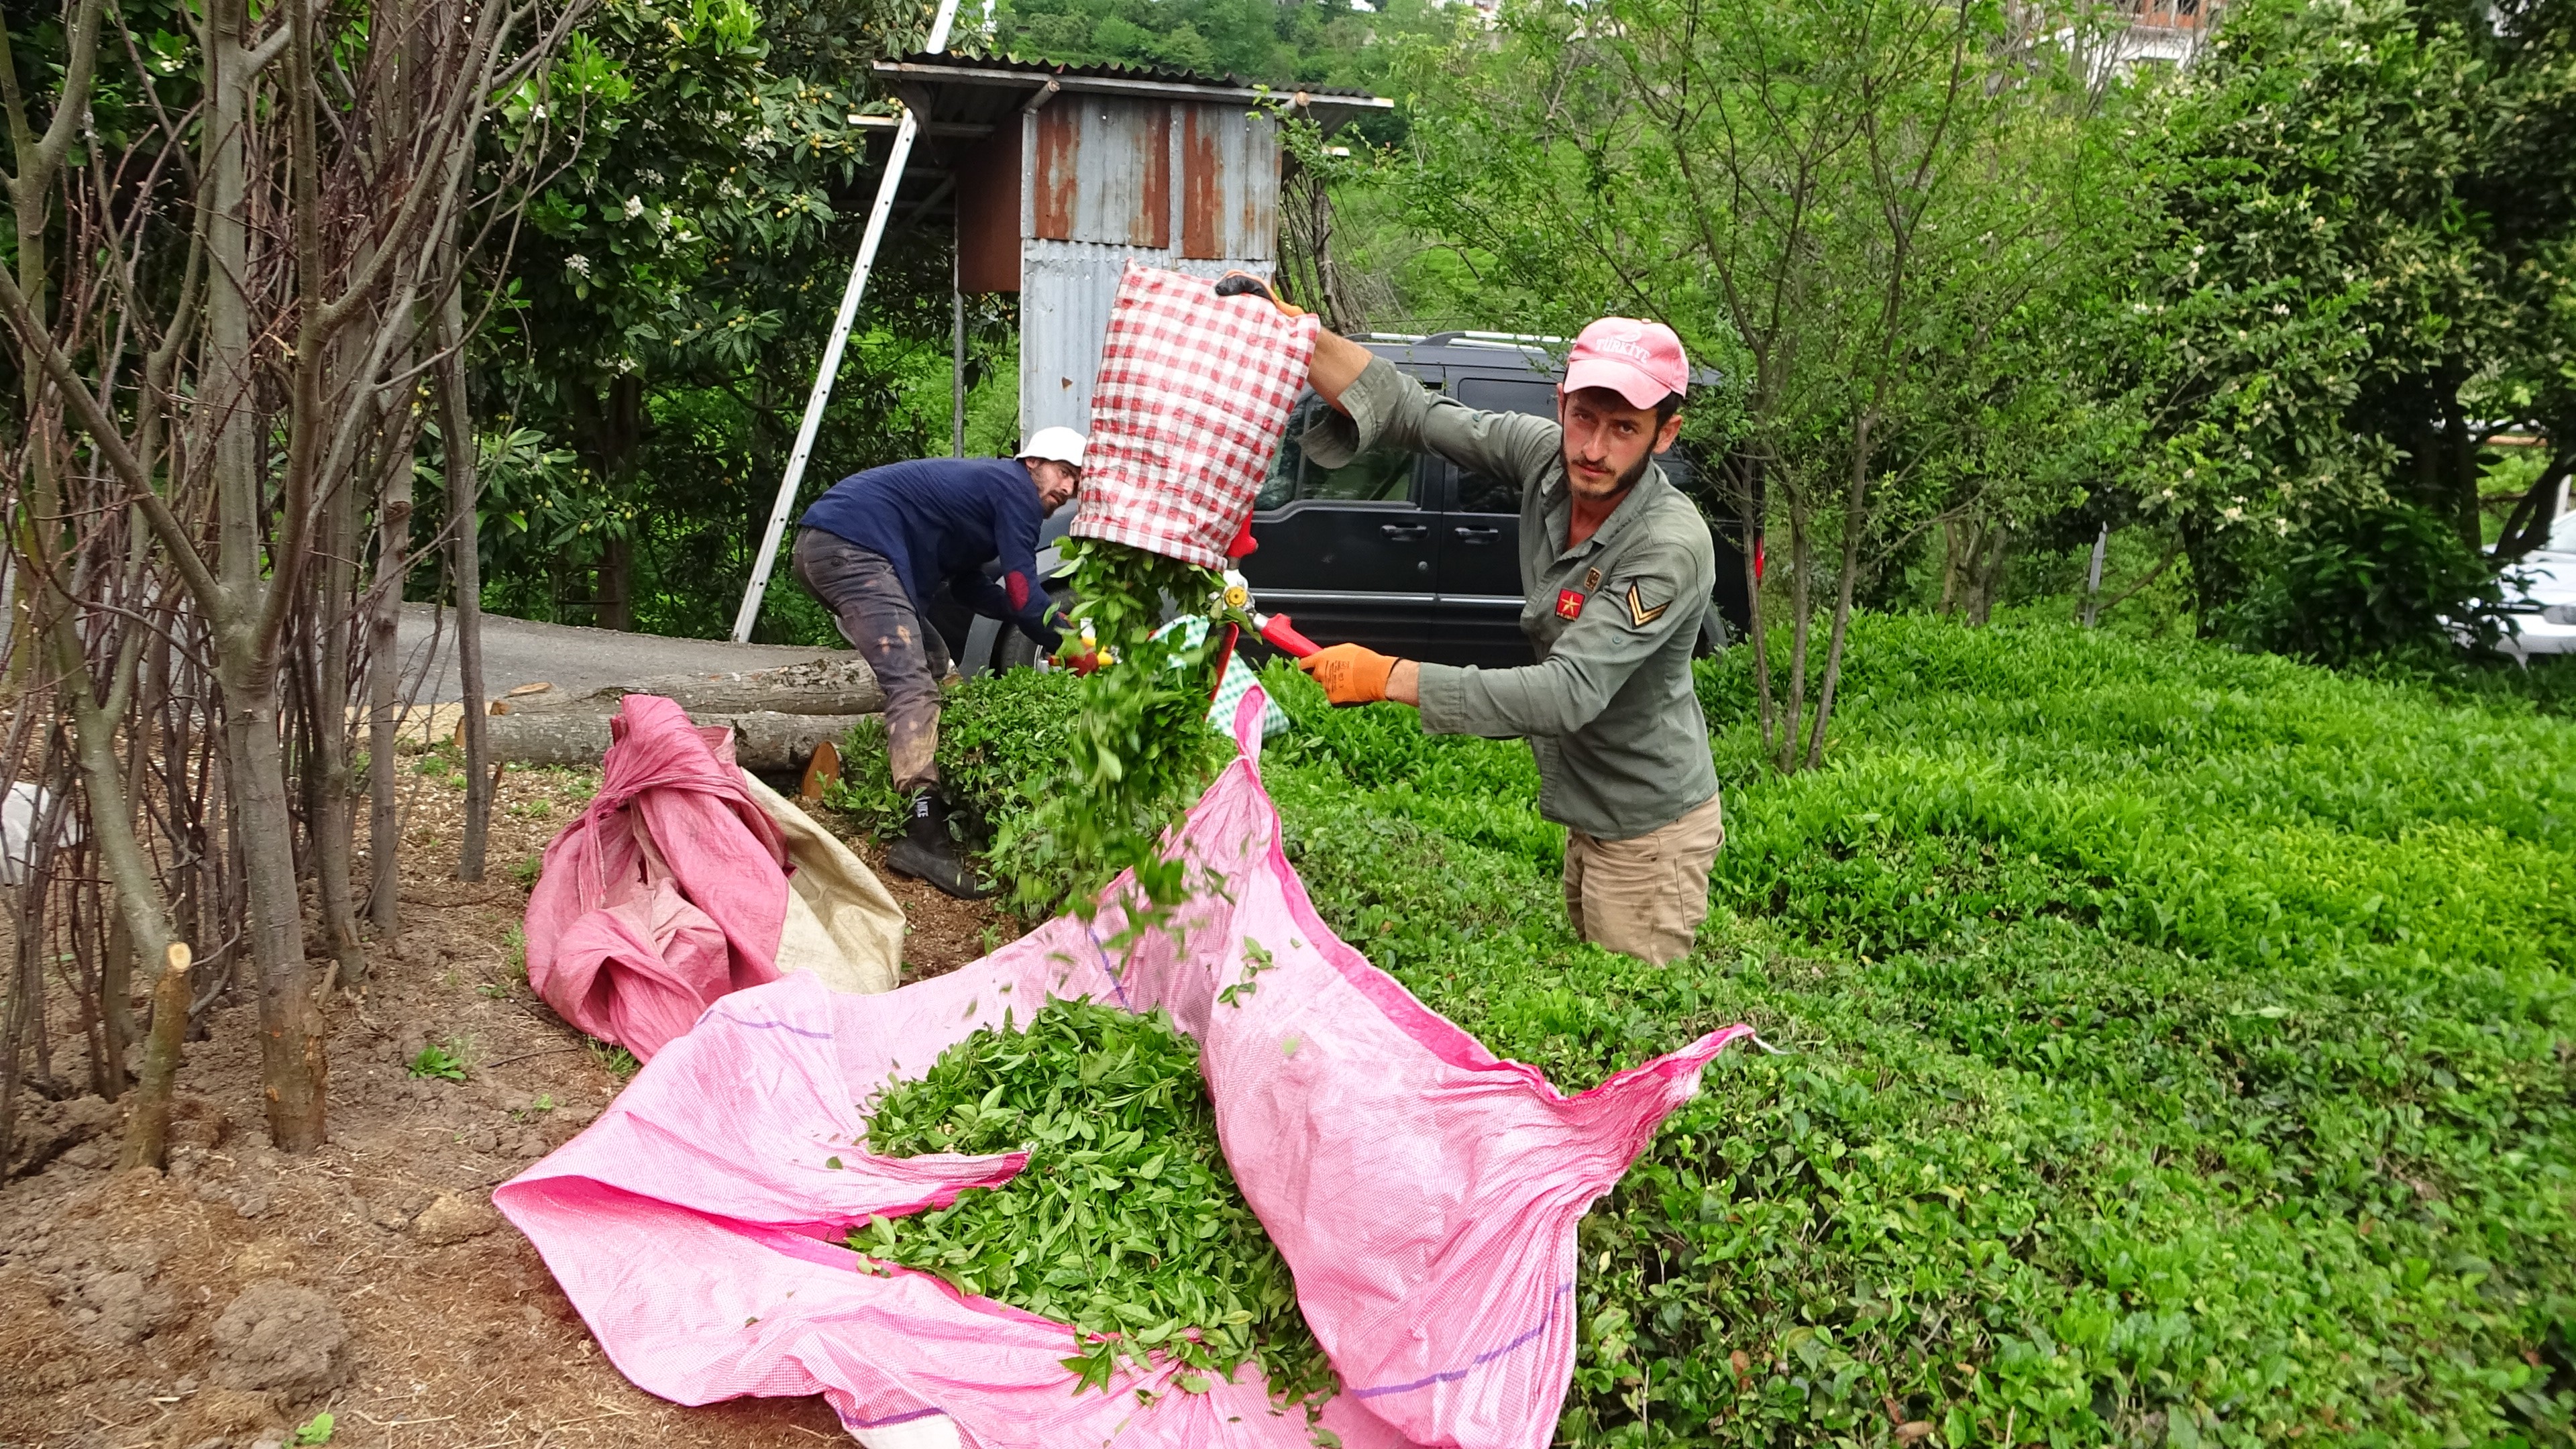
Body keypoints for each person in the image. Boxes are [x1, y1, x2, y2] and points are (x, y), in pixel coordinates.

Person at [1228, 278, 1723, 965]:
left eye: (1624, 429)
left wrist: (1390, 676)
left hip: (1650, 831)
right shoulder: (1545, 457)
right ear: (1563, 405)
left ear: (1665, 434)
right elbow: (1416, 413)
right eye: (1584, 418)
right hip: (1594, 812)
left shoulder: (1667, 546)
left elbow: (1566, 692)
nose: (1593, 449)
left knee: (1632, 1028)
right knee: (1592, 982)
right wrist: (1302, 338)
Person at [792, 428, 1089, 899]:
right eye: (1064, 472)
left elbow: (971, 588)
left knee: (932, 659)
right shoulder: (1015, 490)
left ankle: (938, 770)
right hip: (851, 547)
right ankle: (923, 833)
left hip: (834, 544)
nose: (1068, 489)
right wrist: (1073, 644)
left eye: (1077, 481)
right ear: (1032, 462)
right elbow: (1021, 592)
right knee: (912, 682)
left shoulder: (986, 492)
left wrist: (1055, 622)